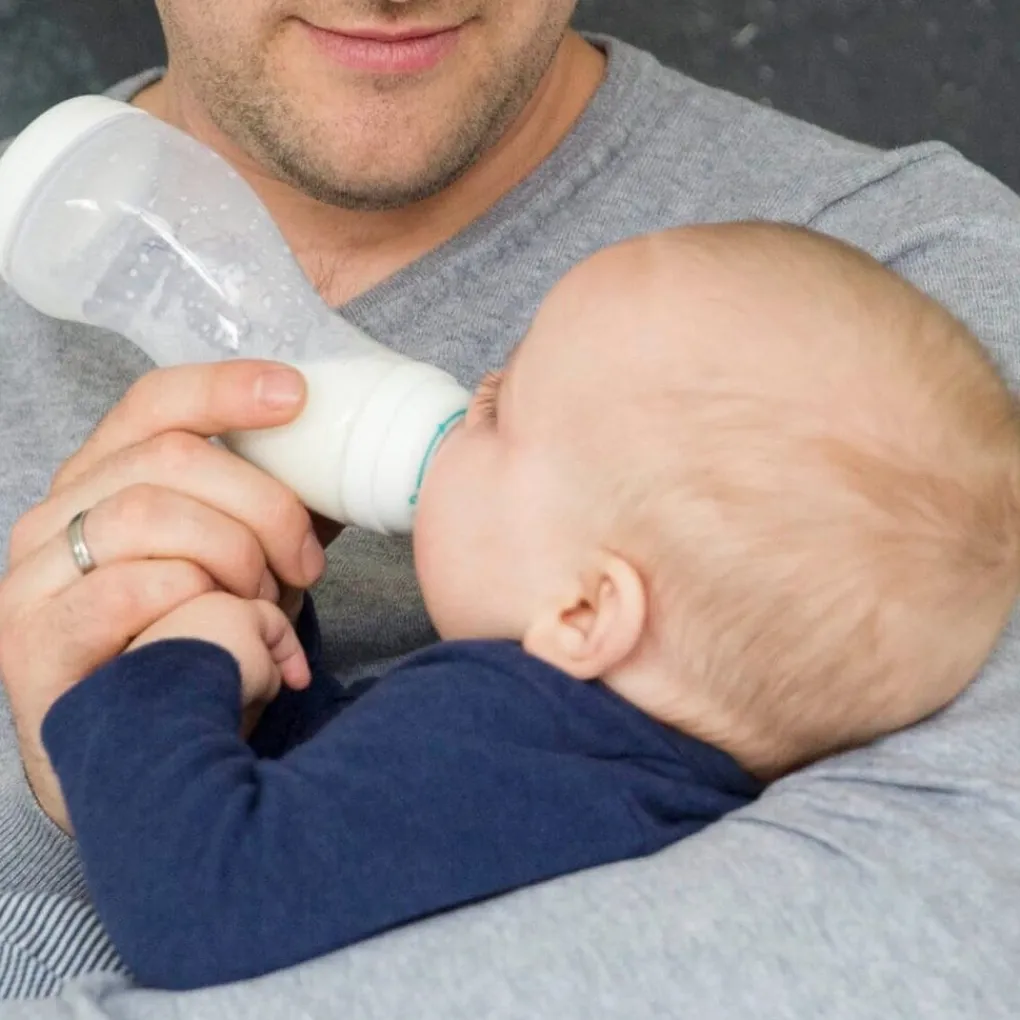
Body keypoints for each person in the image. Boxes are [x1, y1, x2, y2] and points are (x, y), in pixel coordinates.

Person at [1, 2, 1020, 1014]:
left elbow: (220, 905)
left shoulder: (916, 304)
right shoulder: (591, 733)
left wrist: (145, 688)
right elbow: (343, 810)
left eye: (500, 410)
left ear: (586, 611)